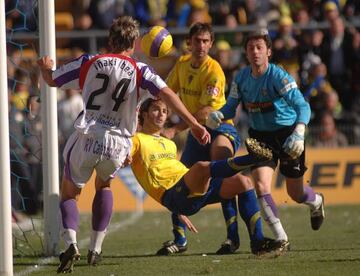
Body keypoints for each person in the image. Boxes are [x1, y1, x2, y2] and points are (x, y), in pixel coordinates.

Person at [37, 16, 210, 273]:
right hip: (119, 142)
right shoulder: (141, 70)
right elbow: (167, 94)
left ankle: (71, 243)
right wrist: (193, 123)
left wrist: (45, 67)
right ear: (134, 44)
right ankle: (96, 247)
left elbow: (52, 80)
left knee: (70, 192)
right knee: (104, 186)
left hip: (90, 134)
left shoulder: (89, 62)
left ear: (110, 40)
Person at [206, 29, 325, 251]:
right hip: (261, 137)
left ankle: (316, 201)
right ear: (246, 53)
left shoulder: (279, 76)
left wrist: (299, 132)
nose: (255, 52)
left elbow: (302, 105)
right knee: (260, 185)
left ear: (268, 52)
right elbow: (231, 107)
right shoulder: (240, 78)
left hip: (289, 134)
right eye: (251, 48)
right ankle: (281, 238)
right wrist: (220, 114)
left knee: (295, 194)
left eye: (259, 47)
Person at [131, 98, 282, 256]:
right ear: (144, 114)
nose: (161, 114)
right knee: (201, 168)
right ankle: (253, 158)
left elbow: (171, 172)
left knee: (243, 182)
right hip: (173, 195)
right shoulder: (136, 140)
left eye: (164, 111)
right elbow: (123, 158)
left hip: (186, 191)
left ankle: (258, 242)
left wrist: (178, 212)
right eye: (155, 109)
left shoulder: (169, 143)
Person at [162, 22, 252, 255]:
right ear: (189, 43)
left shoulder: (214, 70)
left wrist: (174, 129)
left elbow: (204, 113)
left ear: (211, 44)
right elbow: (166, 93)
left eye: (205, 41)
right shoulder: (182, 64)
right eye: (197, 41)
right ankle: (179, 240)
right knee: (179, 181)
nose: (201, 46)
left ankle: (232, 238)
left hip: (220, 128)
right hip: (196, 131)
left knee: (220, 166)